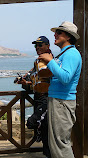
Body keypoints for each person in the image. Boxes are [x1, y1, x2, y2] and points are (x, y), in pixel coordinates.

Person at [38, 21, 82, 158]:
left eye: (59, 32)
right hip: (58, 101)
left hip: (62, 102)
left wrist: (50, 61)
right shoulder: (64, 54)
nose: (55, 34)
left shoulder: (72, 54)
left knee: (60, 144)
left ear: (68, 36)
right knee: (56, 144)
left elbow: (66, 78)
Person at [16, 36, 52, 158]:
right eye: (36, 45)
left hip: (46, 98)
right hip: (38, 98)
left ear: (48, 46)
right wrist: (26, 84)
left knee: (34, 123)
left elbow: (51, 78)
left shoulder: (51, 61)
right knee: (44, 129)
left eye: (40, 45)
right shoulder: (37, 62)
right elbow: (38, 82)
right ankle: (46, 152)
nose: (37, 48)